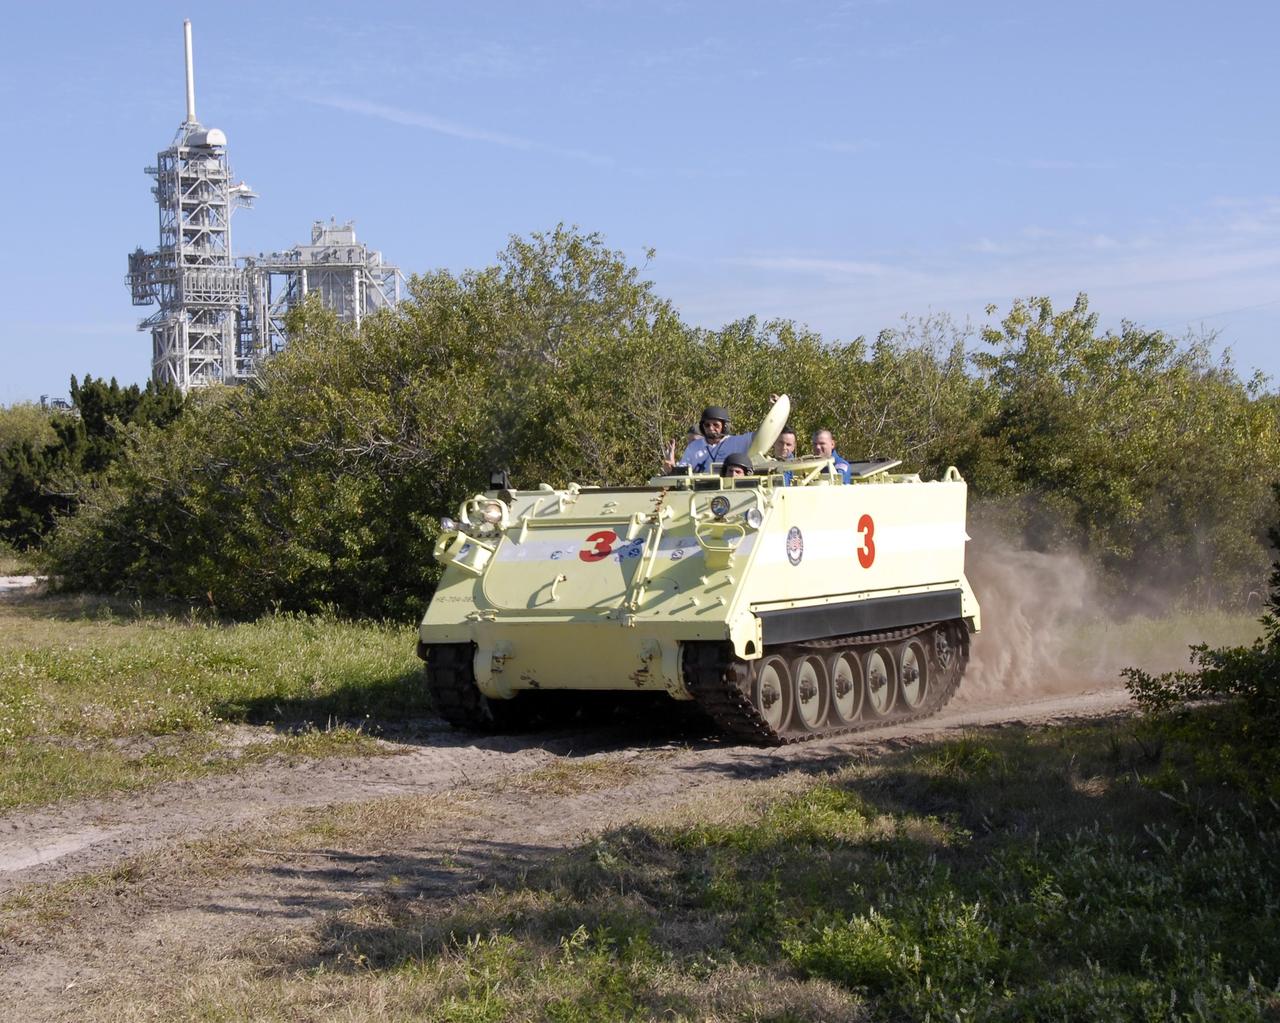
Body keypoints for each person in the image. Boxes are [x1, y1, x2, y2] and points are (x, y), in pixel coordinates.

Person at [662, 405, 753, 474]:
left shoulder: (737, 442)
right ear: (702, 427)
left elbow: (762, 434)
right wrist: (672, 468)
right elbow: (683, 470)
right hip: (700, 491)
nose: (711, 428)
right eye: (707, 425)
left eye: (715, 425)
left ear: (724, 426)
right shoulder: (694, 447)